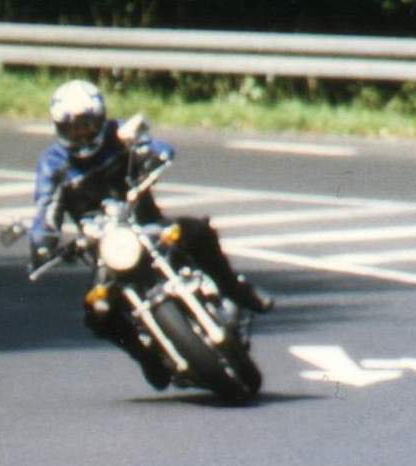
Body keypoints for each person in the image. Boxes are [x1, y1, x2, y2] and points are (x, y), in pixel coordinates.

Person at [29, 79, 273, 390]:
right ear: (59, 129)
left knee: (199, 232)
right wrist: (43, 242)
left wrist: (154, 155)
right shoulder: (53, 164)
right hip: (106, 249)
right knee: (97, 311)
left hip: (148, 225)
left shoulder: (119, 135)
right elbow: (45, 210)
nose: (81, 134)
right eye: (72, 128)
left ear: (100, 120)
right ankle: (145, 357)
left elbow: (154, 146)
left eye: (86, 125)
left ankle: (236, 290)